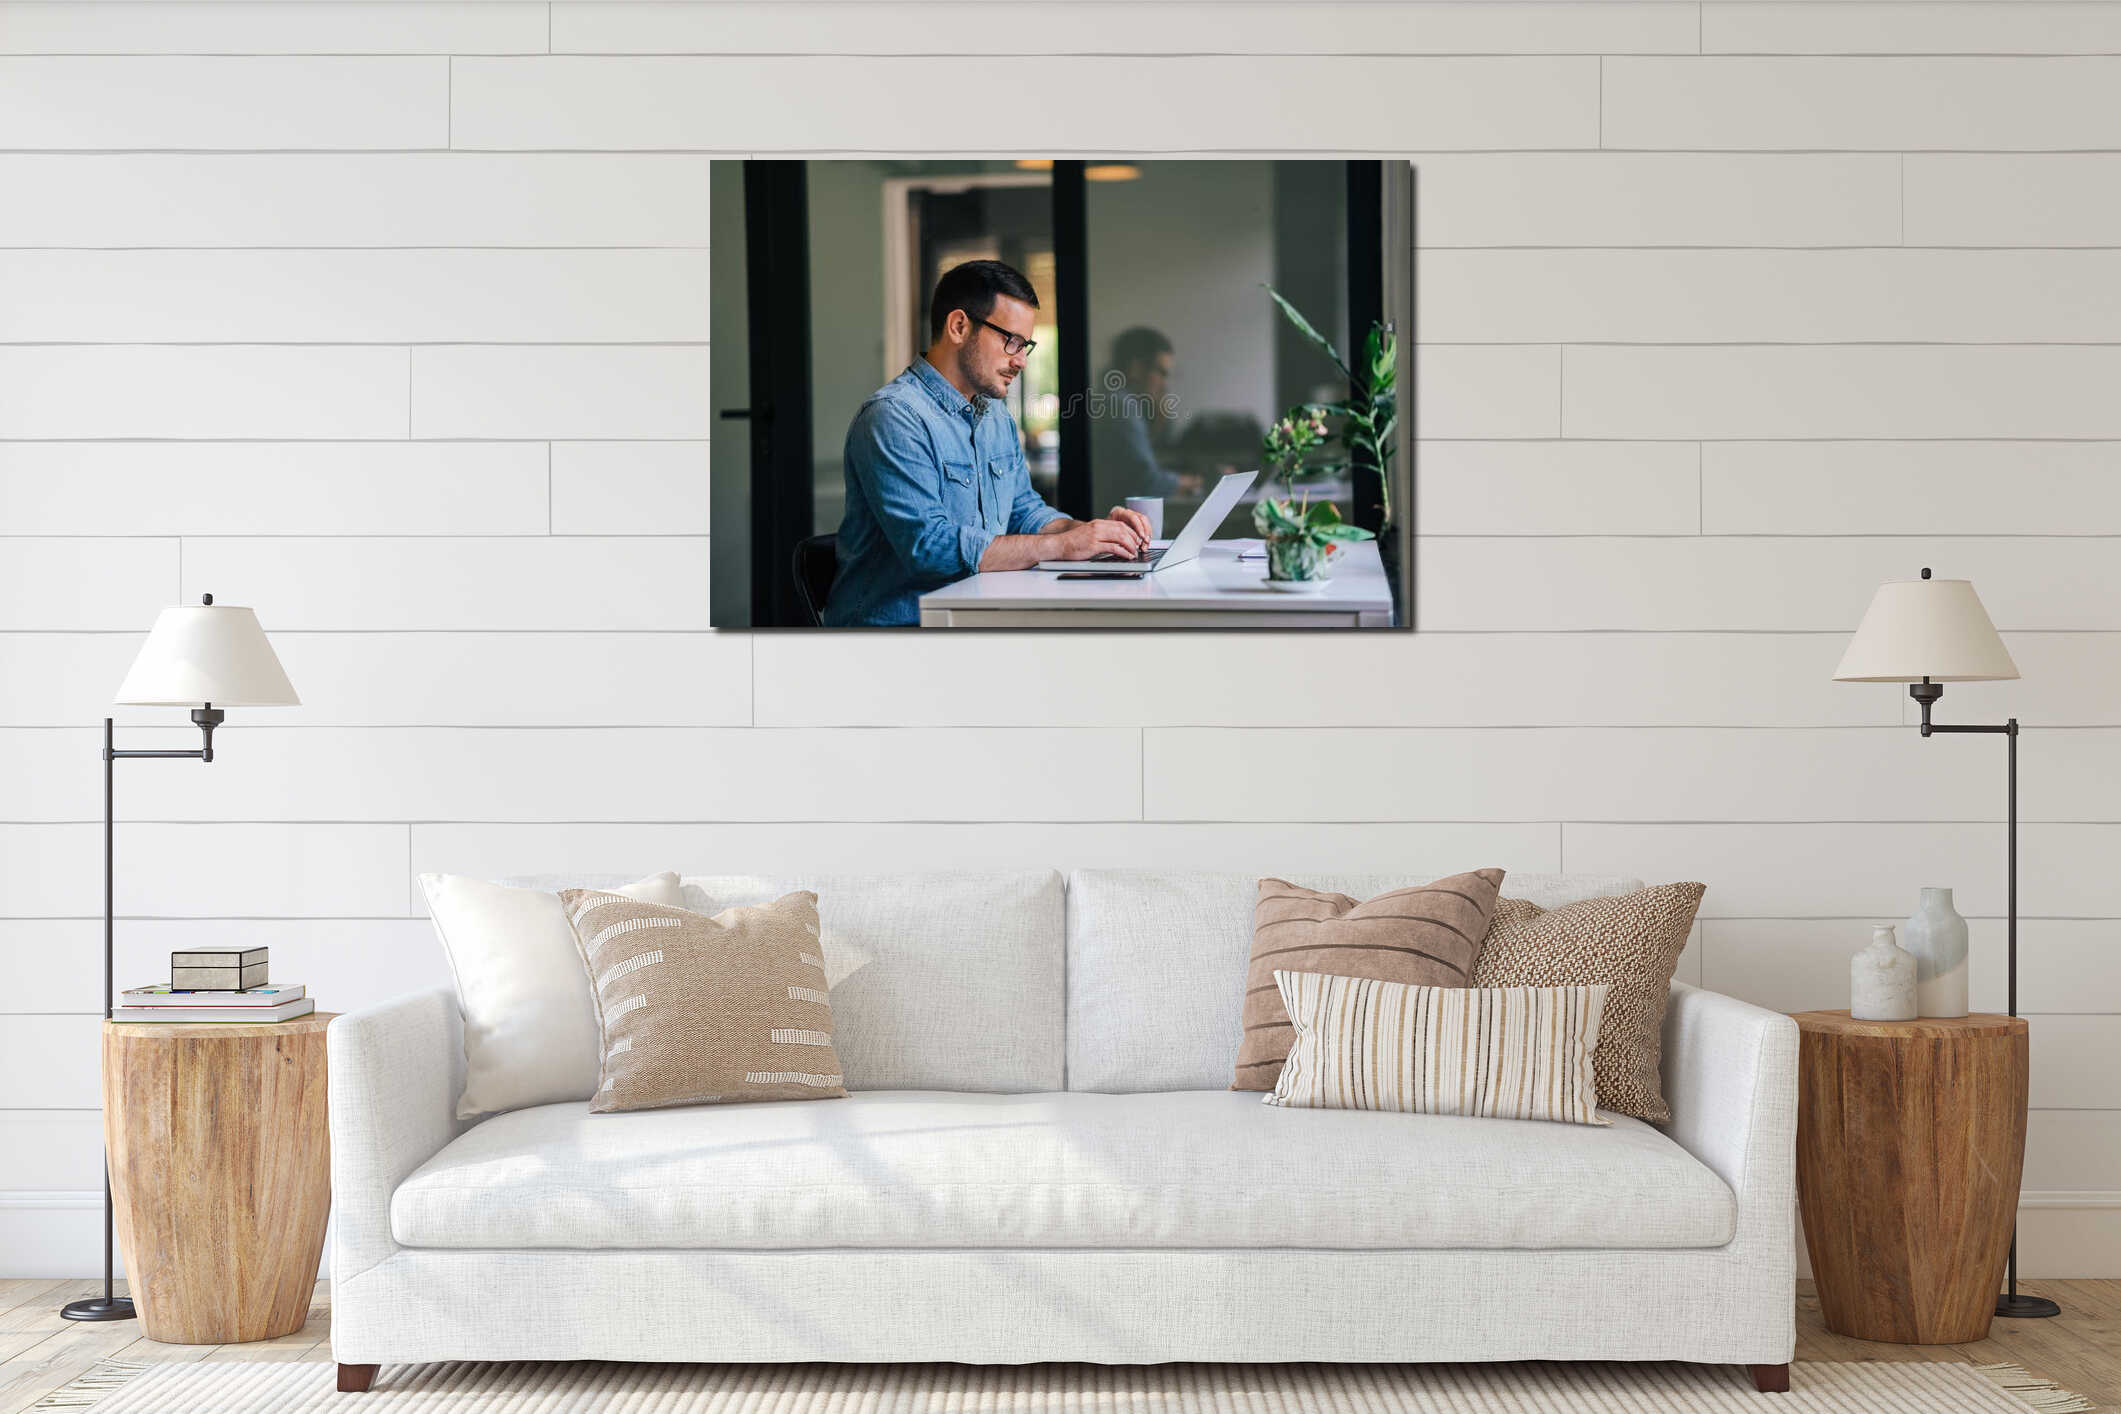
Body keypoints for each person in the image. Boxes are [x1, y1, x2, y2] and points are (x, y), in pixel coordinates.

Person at [824, 260, 1154, 627]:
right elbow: (930, 548)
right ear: (959, 326)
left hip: (973, 619)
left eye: (1025, 345)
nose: (1021, 361)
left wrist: (1094, 535)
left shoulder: (994, 417)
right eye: (1011, 341)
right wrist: (1062, 547)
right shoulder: (893, 417)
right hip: (897, 637)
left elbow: (1025, 512)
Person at [1092, 326, 1199, 499]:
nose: (1164, 383)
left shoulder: (1112, 397)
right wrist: (1198, 481)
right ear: (1136, 367)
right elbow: (1148, 481)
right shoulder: (1121, 405)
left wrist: (1158, 416)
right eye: (1161, 373)